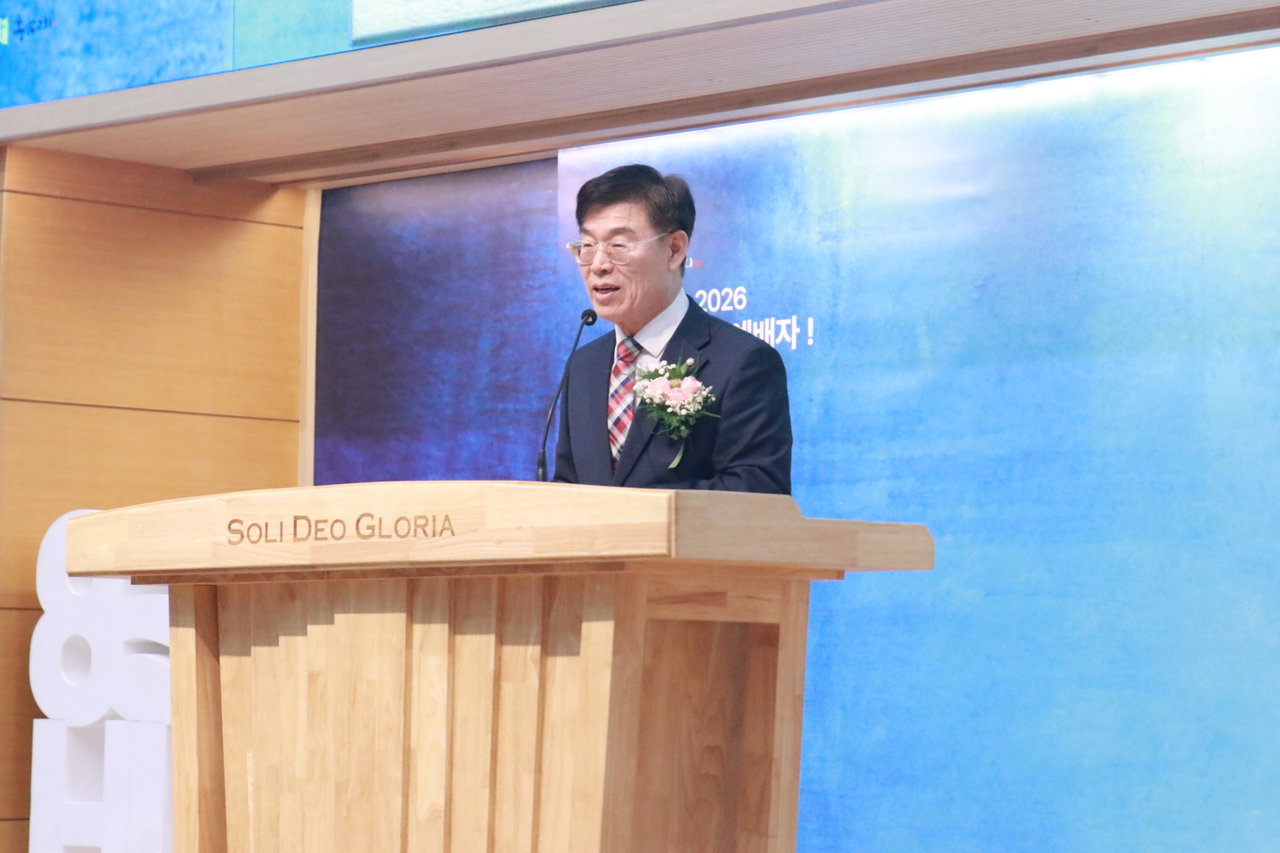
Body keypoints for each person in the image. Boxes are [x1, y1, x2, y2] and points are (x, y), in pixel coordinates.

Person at [553, 163, 792, 493]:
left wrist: (641, 513)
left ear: (674, 250)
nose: (598, 265)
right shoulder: (584, 365)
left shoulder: (742, 362)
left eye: (618, 246)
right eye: (587, 246)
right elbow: (567, 486)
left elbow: (757, 492)